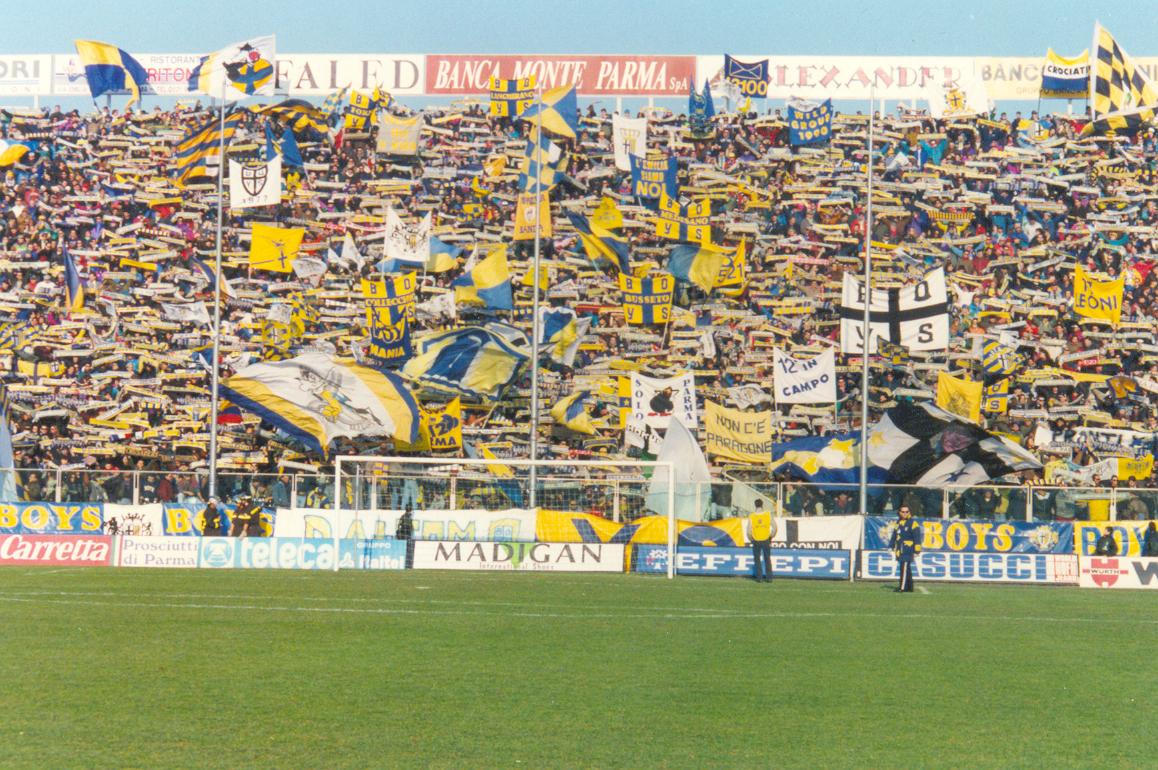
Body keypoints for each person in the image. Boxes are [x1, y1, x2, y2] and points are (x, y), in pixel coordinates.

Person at [889, 506, 922, 593]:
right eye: (903, 512)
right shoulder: (898, 523)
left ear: (909, 512)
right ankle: (909, 587)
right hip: (900, 549)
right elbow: (894, 535)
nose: (905, 513)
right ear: (899, 512)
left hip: (908, 549)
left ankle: (902, 587)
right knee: (906, 569)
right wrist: (891, 545)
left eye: (906, 512)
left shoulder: (913, 523)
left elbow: (917, 538)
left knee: (904, 568)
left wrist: (917, 550)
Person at [747, 499, 773, 582]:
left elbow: (748, 531)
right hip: (766, 539)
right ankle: (769, 578)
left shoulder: (752, 516)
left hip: (756, 540)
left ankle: (759, 578)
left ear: (755, 505)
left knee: (757, 559)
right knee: (767, 558)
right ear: (762, 505)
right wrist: (771, 536)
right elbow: (775, 527)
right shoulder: (767, 514)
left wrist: (751, 539)